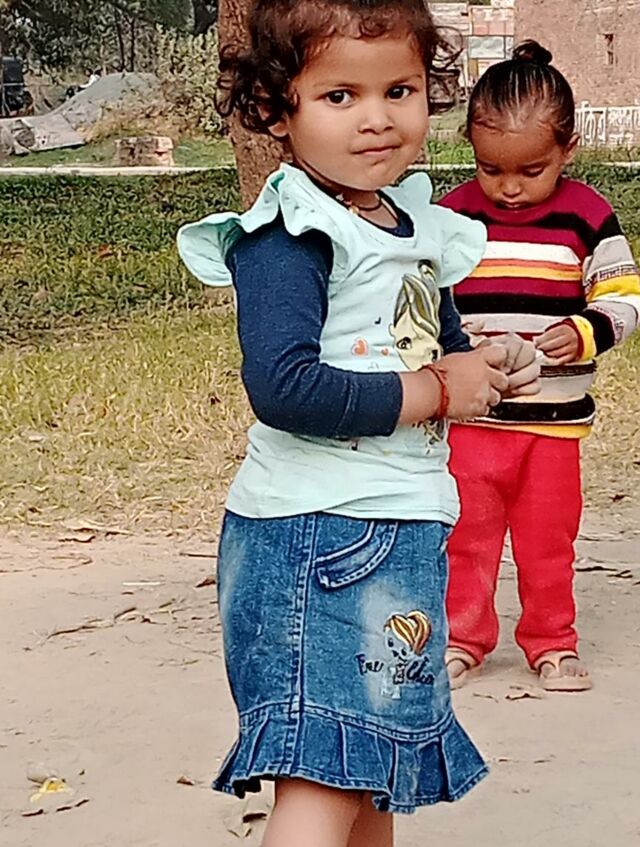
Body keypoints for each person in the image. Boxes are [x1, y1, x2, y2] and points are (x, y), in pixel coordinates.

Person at [177, 3, 539, 845]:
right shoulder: (289, 234)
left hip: (394, 531)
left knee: (372, 773)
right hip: (318, 536)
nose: (376, 118)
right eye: (340, 96)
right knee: (326, 775)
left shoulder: (410, 226)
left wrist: (488, 366)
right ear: (276, 108)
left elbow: (436, 349)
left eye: (398, 90)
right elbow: (285, 387)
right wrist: (435, 391)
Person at [440, 40, 640, 693]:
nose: (509, 187)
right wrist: (447, 343)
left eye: (531, 169)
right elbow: (421, 298)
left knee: (547, 540)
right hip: (471, 419)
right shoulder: (451, 217)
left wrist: (585, 331)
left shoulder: (588, 217)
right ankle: (462, 638)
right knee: (466, 538)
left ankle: (552, 640)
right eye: (489, 168)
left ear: (568, 150)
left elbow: (624, 297)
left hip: (552, 426)